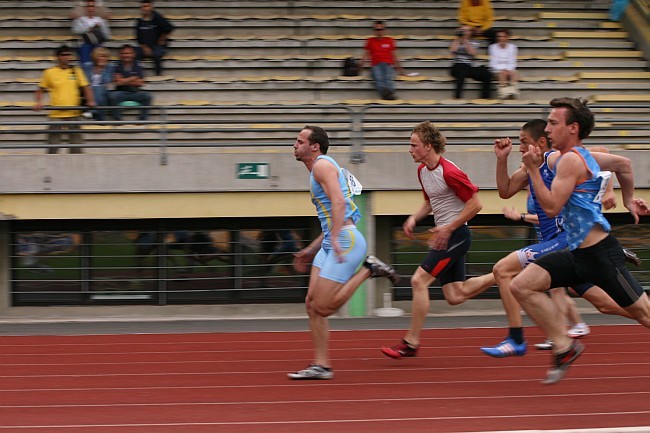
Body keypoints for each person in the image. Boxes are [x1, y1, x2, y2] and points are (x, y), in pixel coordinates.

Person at [511, 97, 650, 384]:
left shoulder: (572, 162)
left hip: (601, 255)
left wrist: (534, 171)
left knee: (644, 314)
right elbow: (623, 164)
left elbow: (550, 208)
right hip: (577, 254)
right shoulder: (581, 155)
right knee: (522, 285)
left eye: (553, 122)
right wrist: (628, 201)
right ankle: (564, 347)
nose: (547, 128)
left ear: (572, 128)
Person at [480, 119, 636, 359]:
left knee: (503, 270)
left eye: (524, 142)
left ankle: (516, 338)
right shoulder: (529, 169)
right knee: (606, 305)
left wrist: (609, 190)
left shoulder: (555, 159)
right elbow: (505, 191)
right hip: (563, 246)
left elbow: (605, 156)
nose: (520, 148)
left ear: (541, 142)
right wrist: (501, 159)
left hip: (565, 240)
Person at [287, 125, 400, 380]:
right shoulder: (318, 170)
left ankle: (369, 269)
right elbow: (330, 215)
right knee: (312, 305)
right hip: (331, 241)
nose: (294, 145)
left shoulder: (321, 166)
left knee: (324, 307)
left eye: (299, 141)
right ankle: (322, 365)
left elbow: (339, 202)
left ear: (314, 146)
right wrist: (310, 250)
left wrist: (335, 237)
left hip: (345, 240)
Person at [380, 121, 496, 359]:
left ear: (428, 146)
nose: (409, 149)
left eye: (414, 145)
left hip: (456, 236)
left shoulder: (451, 172)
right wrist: (413, 219)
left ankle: (411, 342)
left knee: (418, 281)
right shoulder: (423, 171)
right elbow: (430, 203)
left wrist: (448, 228)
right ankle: (503, 273)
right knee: (455, 296)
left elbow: (476, 204)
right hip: (447, 236)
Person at [34, 45, 95, 154]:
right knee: (53, 146)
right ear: (58, 57)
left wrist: (90, 100)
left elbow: (85, 86)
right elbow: (40, 89)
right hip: (56, 113)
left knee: (76, 146)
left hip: (74, 113)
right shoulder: (50, 72)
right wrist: (38, 102)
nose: (67, 57)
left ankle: (77, 167)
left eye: (69, 54)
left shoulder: (76, 71)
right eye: (64, 55)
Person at [360, 20, 405, 100]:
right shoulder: (370, 41)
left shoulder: (390, 40)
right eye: (376, 30)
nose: (379, 32)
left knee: (388, 79)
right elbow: (366, 54)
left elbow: (394, 55)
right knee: (379, 79)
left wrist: (400, 70)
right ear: (374, 31)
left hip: (387, 64)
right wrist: (360, 67)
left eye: (381, 29)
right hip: (376, 64)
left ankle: (389, 95)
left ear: (385, 30)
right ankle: (388, 96)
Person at [109, 44, 153, 121]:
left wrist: (124, 80)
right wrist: (133, 78)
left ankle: (142, 120)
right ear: (120, 55)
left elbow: (140, 83)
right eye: (123, 53)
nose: (126, 55)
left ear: (133, 54)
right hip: (121, 92)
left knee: (147, 96)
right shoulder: (116, 65)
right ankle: (118, 120)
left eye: (128, 53)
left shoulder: (138, 64)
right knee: (112, 96)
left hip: (135, 92)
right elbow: (118, 83)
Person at [449, 26, 492, 99]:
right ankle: (457, 97)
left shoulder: (474, 42)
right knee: (462, 71)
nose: (465, 32)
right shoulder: (456, 41)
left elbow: (472, 53)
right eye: (463, 30)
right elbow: (452, 51)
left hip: (468, 66)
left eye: (467, 30)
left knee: (486, 73)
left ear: (471, 32)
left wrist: (465, 41)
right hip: (457, 65)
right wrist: (459, 40)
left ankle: (485, 98)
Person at [135, 0, 174, 76]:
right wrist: (144, 47)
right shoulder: (139, 21)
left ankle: (158, 75)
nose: (145, 8)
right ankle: (138, 75)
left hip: (157, 45)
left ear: (151, 7)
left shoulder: (157, 17)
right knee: (134, 53)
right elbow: (138, 37)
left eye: (147, 6)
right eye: (143, 6)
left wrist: (162, 38)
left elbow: (169, 28)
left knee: (156, 54)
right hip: (145, 46)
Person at [71, 0, 111, 65]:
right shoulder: (81, 19)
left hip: (97, 44)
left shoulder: (100, 20)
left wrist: (99, 29)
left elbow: (107, 34)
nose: (90, 8)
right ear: (85, 8)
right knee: (85, 54)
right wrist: (88, 29)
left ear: (95, 8)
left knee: (99, 53)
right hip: (85, 44)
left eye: (92, 6)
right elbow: (75, 30)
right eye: (88, 6)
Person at [82, 46, 114, 121]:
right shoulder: (87, 66)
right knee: (93, 88)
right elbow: (85, 81)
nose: (103, 59)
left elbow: (108, 82)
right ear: (95, 57)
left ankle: (92, 112)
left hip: (105, 91)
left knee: (98, 88)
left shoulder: (110, 67)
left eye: (105, 57)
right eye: (101, 56)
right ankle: (100, 118)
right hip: (89, 91)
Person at [488, 29, 519, 99]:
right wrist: (503, 69)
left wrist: (508, 70)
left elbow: (512, 61)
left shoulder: (513, 47)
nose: (501, 38)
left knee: (514, 73)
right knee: (502, 73)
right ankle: (503, 94)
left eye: (504, 36)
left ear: (507, 37)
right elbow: (493, 63)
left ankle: (513, 93)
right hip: (497, 70)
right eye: (499, 37)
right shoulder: (492, 47)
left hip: (509, 70)